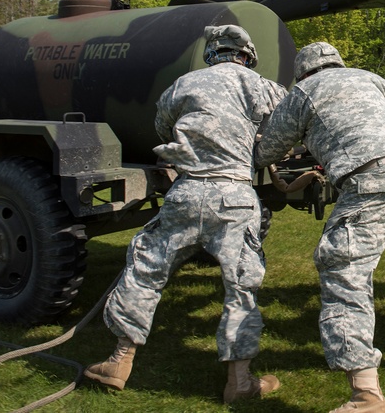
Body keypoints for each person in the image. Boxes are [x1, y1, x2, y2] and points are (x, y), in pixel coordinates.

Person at [255, 42, 385, 413]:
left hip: (371, 176)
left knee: (343, 269)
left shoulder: (304, 90)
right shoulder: (369, 79)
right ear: (337, 62)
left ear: (302, 71)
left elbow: (269, 148)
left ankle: (365, 394)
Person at [85, 25, 286, 403]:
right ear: (247, 55)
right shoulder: (264, 87)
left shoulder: (184, 83)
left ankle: (118, 360)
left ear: (213, 53)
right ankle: (239, 381)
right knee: (241, 284)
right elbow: (285, 129)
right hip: (235, 197)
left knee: (145, 269)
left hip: (187, 190)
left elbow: (162, 126)